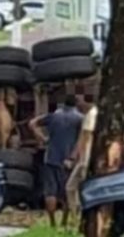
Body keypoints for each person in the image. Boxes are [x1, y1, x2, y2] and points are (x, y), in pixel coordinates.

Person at [30, 94, 84, 229]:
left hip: (50, 158)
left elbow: (32, 123)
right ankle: (64, 222)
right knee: (67, 191)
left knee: (50, 192)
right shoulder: (79, 118)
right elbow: (81, 139)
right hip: (68, 160)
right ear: (76, 104)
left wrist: (42, 138)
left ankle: (52, 223)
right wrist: (73, 156)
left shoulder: (54, 116)